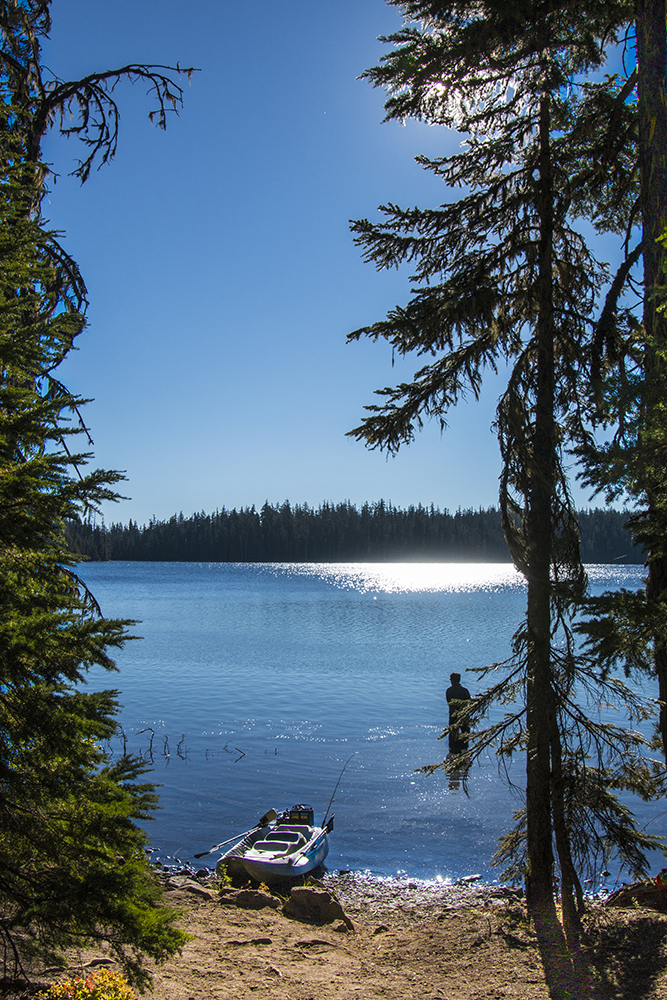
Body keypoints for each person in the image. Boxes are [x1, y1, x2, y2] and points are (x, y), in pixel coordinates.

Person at [445, 672, 471, 754]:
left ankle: (453, 748)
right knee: (465, 731)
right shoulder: (465, 691)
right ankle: (463, 747)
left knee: (453, 731)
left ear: (452, 680)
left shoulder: (449, 691)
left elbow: (448, 701)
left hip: (453, 715)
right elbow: (469, 702)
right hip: (464, 715)